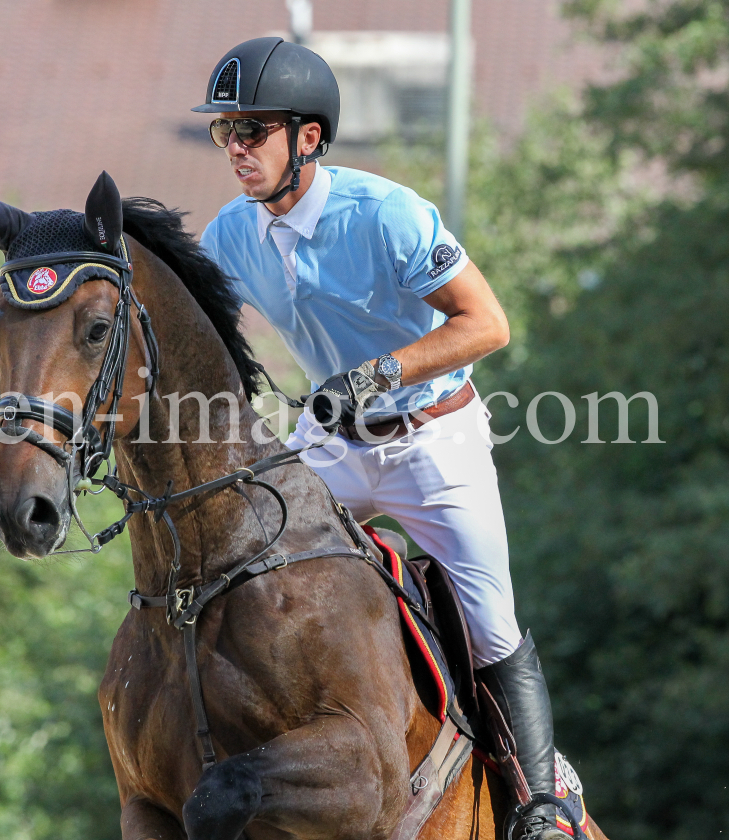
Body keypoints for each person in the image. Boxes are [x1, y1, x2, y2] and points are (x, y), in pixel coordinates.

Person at [194, 37, 568, 840]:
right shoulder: (231, 235)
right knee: (243, 568)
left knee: (489, 622)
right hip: (331, 440)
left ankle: (543, 802)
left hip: (433, 440)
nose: (236, 150)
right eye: (226, 132)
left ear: (309, 138)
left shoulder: (388, 215)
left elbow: (488, 324)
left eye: (252, 131)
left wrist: (373, 376)